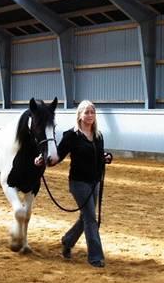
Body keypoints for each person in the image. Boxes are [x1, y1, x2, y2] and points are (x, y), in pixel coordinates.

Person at [35, 100, 112, 268]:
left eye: (92, 112)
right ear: (79, 115)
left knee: (86, 217)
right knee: (92, 219)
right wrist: (44, 160)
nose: (90, 115)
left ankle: (67, 241)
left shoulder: (98, 135)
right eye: (86, 112)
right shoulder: (71, 135)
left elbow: (99, 155)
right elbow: (59, 155)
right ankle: (95, 257)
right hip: (79, 183)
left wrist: (106, 156)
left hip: (95, 181)